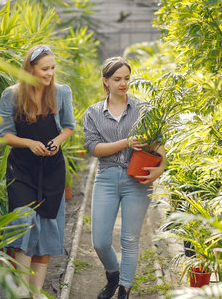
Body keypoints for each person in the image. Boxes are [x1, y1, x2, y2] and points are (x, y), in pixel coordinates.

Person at [83, 56, 166, 299]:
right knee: (99, 240)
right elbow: (94, 148)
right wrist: (126, 143)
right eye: (117, 79)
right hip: (106, 178)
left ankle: (124, 291)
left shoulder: (142, 109)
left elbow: (159, 146)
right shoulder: (93, 113)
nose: (123, 83)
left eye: (127, 78)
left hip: (136, 179)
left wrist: (161, 168)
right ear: (105, 81)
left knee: (130, 239)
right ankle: (113, 275)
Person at [0, 44, 75, 299]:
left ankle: (36, 292)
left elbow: (68, 127)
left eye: (52, 68)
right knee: (23, 223)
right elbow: (6, 135)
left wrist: (57, 142)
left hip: (52, 169)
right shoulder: (12, 95)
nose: (50, 73)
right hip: (21, 170)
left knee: (49, 228)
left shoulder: (62, 93)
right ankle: (21, 290)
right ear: (30, 69)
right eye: (45, 69)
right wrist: (29, 143)